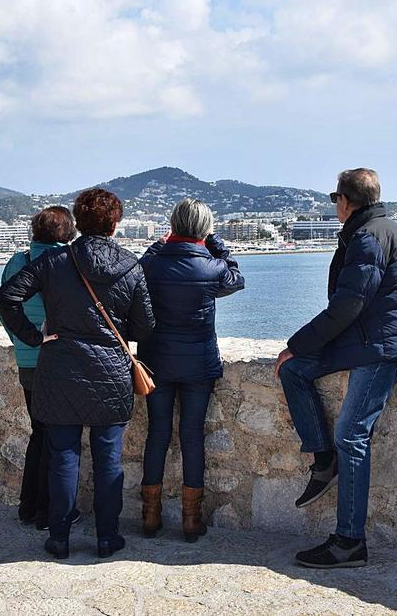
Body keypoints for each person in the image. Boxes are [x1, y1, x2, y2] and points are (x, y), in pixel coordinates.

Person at [273, 168, 397, 569]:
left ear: (344, 200)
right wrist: (300, 353)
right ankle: (324, 461)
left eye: (334, 199)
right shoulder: (377, 229)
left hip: (383, 349)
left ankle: (349, 542)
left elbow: (348, 305)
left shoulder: (369, 236)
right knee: (295, 371)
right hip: (366, 342)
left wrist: (297, 344)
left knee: (352, 434)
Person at [0, 188, 154, 560]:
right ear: (115, 224)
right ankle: (106, 537)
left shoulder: (55, 263)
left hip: (60, 370)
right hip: (110, 372)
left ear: (79, 223)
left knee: (64, 455)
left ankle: (60, 538)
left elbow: (8, 298)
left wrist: (35, 337)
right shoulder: (131, 265)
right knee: (108, 459)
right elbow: (145, 327)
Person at [137, 198, 244, 542]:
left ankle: (150, 516)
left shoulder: (152, 264)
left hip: (157, 361)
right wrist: (215, 242)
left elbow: (139, 269)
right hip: (199, 364)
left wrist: (161, 241)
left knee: (158, 433)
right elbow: (236, 278)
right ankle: (190, 519)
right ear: (204, 229)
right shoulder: (211, 268)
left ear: (172, 225)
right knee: (192, 436)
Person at [0, 205, 77, 530]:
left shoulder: (18, 262)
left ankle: (27, 506)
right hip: (57, 360)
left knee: (39, 432)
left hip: (28, 362)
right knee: (55, 437)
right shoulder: (67, 263)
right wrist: (40, 339)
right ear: (69, 232)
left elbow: (5, 308)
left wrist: (26, 341)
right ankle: (47, 511)